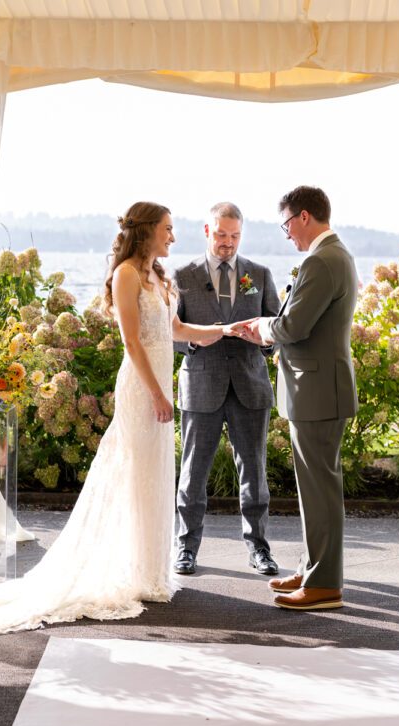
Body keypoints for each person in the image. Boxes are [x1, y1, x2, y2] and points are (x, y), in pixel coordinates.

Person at [0, 202, 231, 643]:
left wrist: (221, 330)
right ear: (146, 231)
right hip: (142, 388)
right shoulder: (127, 274)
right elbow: (132, 341)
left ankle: (148, 569)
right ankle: (129, 567)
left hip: (159, 386)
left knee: (152, 473)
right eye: (167, 229)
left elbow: (175, 328)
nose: (173, 236)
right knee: (132, 472)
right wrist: (158, 394)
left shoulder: (161, 278)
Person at [234, 186, 358, 611]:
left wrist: (263, 328)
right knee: (315, 489)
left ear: (304, 217)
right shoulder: (332, 256)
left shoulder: (323, 261)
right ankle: (313, 570)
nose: (287, 234)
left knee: (321, 490)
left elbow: (295, 327)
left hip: (319, 392)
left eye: (287, 224)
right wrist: (271, 324)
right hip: (318, 389)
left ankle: (324, 585)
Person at [172, 202, 281, 576]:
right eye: (221, 235)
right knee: (193, 472)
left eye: (234, 236)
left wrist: (263, 341)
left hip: (250, 386)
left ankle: (259, 549)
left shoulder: (260, 274)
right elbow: (168, 333)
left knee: (255, 472)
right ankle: (185, 548)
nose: (228, 243)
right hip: (201, 384)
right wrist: (194, 341)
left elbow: (276, 330)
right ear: (207, 231)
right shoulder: (182, 276)